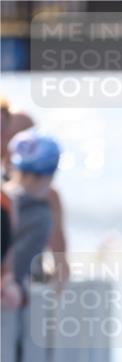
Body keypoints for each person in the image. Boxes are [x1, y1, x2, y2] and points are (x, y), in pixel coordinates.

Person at [1, 102, 69, 292]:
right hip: (17, 294)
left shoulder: (45, 197)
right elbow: (61, 265)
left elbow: (60, 262)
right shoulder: (44, 201)